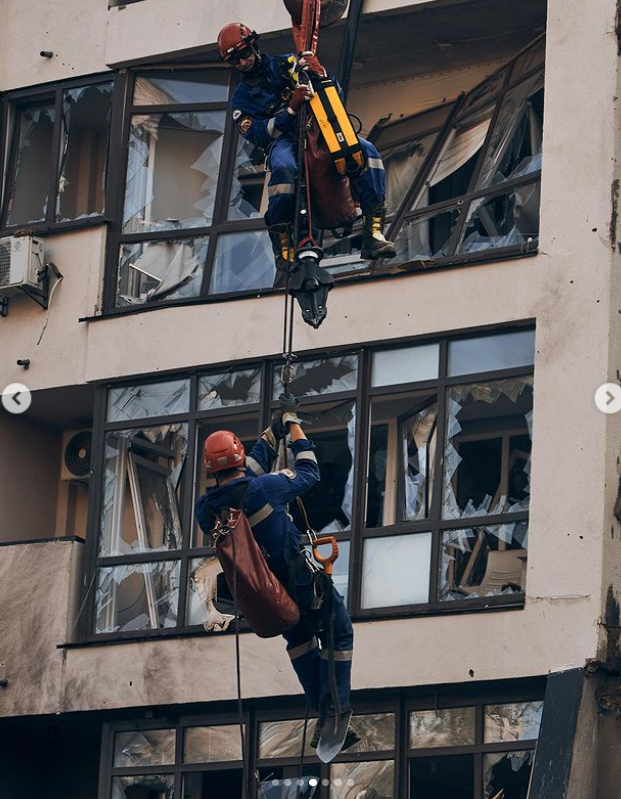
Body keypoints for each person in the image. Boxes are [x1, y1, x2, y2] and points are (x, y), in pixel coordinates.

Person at [195, 396, 356, 749]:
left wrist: (272, 433)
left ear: (210, 467)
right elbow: (309, 470)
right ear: (238, 454)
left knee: (299, 641)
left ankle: (321, 711)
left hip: (267, 595)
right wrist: (293, 424)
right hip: (298, 580)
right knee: (338, 633)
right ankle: (336, 710)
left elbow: (242, 478)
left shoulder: (207, 510)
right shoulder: (267, 487)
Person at [217, 22, 396, 272]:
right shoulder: (242, 98)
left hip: (319, 128)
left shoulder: (288, 64)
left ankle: (373, 231)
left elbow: (336, 97)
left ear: (254, 46)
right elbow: (258, 135)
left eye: (244, 55)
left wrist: (319, 73)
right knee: (284, 170)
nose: (242, 63)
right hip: (284, 141)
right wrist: (290, 109)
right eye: (235, 60)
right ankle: (283, 243)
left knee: (365, 151)